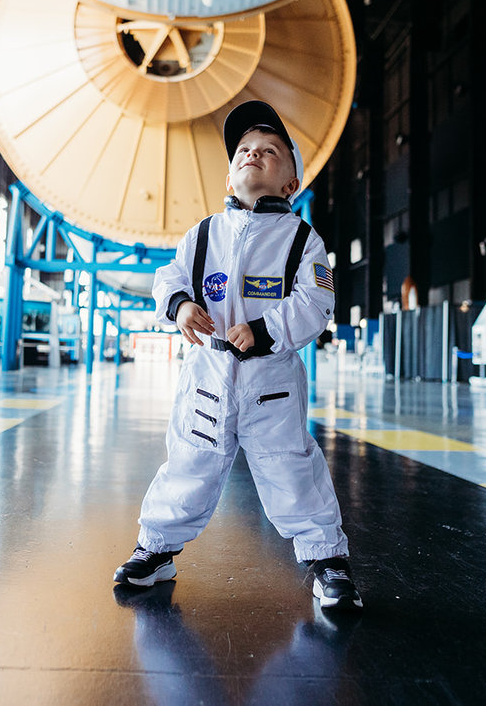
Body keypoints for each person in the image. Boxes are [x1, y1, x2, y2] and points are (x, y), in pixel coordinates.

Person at [113, 100, 362, 611]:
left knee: (290, 468)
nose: (254, 154)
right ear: (230, 178)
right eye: (245, 150)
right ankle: (156, 549)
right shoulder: (203, 234)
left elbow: (317, 301)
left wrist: (267, 332)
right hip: (207, 378)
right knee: (189, 462)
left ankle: (327, 560)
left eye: (270, 151)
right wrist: (180, 307)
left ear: (290, 183)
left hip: (271, 383)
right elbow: (170, 278)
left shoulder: (301, 241)